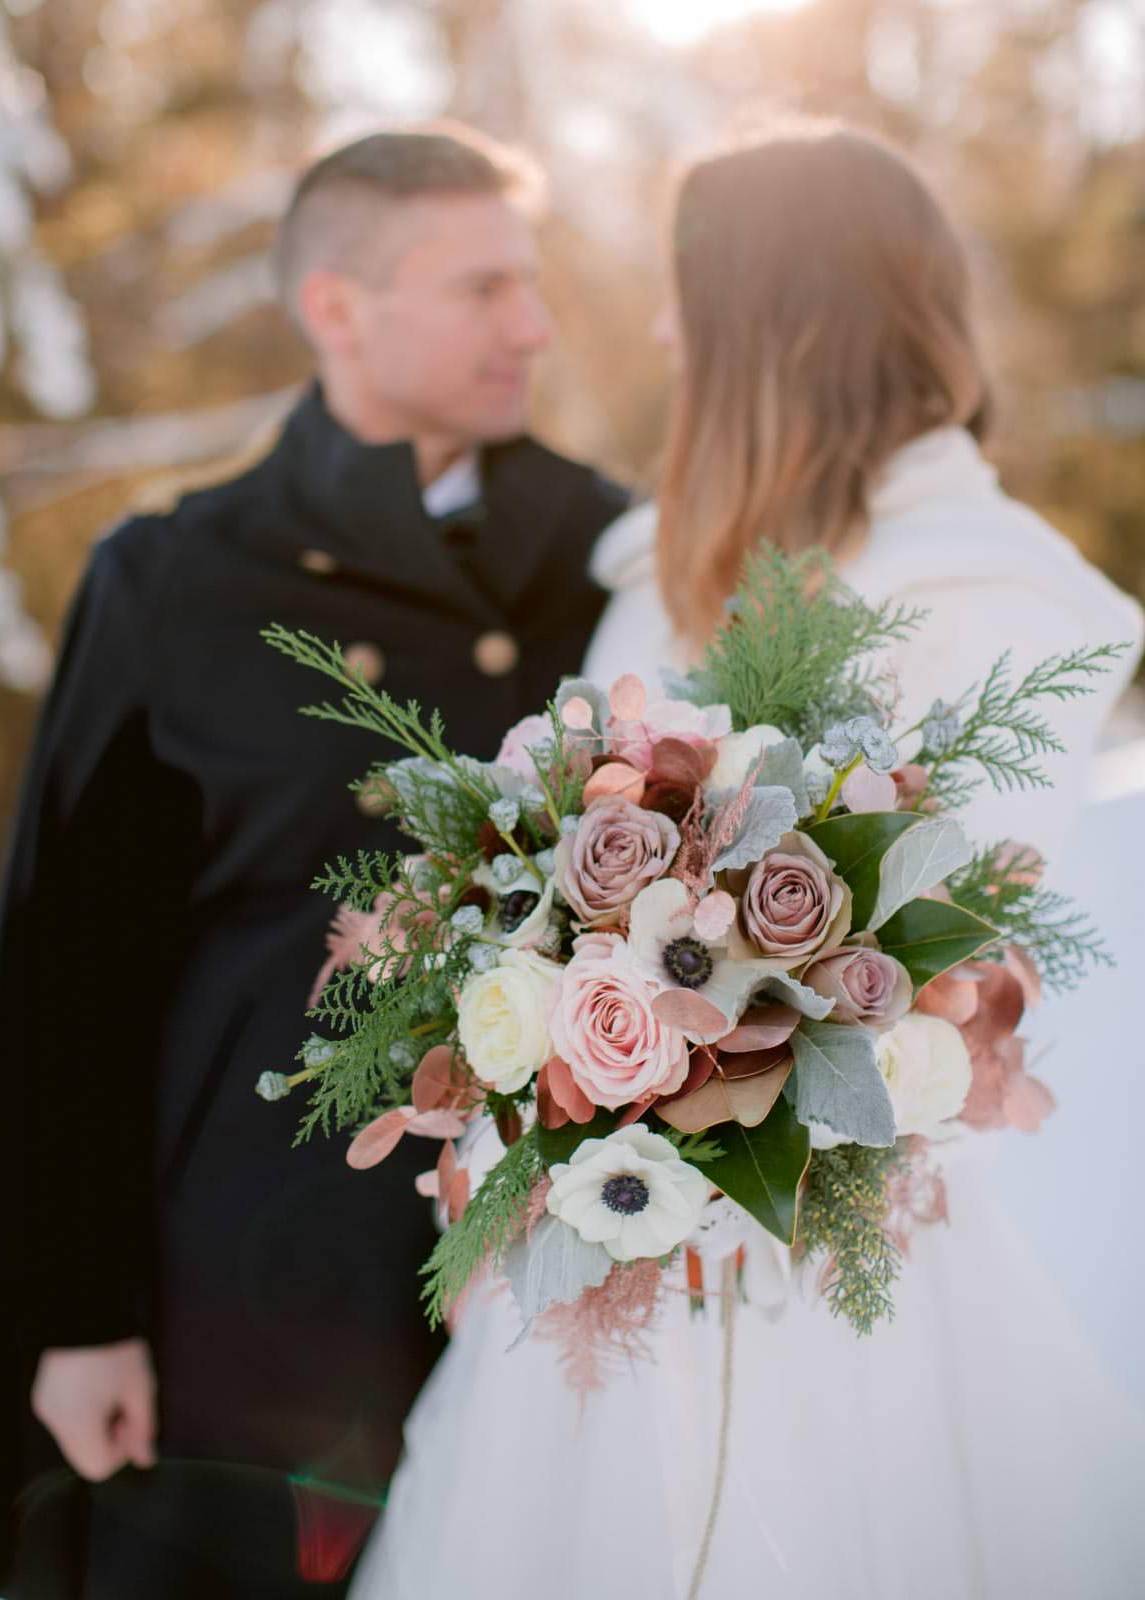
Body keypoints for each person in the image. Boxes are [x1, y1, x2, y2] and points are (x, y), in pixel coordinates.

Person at [351, 122, 1145, 1600]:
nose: (660, 329)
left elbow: (935, 956)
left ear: (771, 323)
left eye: (683, 294)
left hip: (838, 1270)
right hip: (614, 1248)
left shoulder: (997, 594)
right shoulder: (660, 575)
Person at [0, 125, 628, 1600]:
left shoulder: (610, 555)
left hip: (558, 1273)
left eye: (533, 281)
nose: (536, 326)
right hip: (251, 1291)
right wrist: (73, 1316)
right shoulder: (179, 574)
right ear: (339, 307)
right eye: (482, 288)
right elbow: (72, 980)